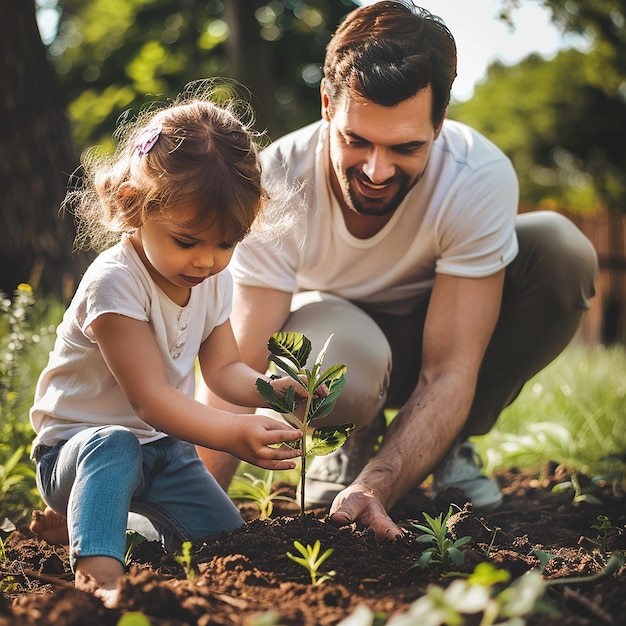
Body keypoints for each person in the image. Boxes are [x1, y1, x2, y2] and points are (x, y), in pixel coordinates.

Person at [197, 1, 598, 538]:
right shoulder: (278, 178)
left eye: (405, 147)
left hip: (442, 332)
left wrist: (377, 487)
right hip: (340, 349)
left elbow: (449, 369)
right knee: (341, 356)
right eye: (356, 140)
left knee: (560, 249)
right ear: (325, 106)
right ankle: (349, 442)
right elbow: (241, 362)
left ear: (440, 123)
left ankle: (446, 442)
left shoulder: (476, 176)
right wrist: (190, 505)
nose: (376, 171)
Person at [28, 85, 311, 606]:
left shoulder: (213, 281)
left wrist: (270, 390)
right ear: (136, 208)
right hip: (76, 452)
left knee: (225, 538)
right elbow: (149, 400)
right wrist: (231, 432)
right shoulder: (115, 284)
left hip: (162, 450)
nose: (207, 260)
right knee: (112, 444)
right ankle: (99, 586)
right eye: (188, 241)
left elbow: (223, 367)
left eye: (227, 243)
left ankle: (98, 530)